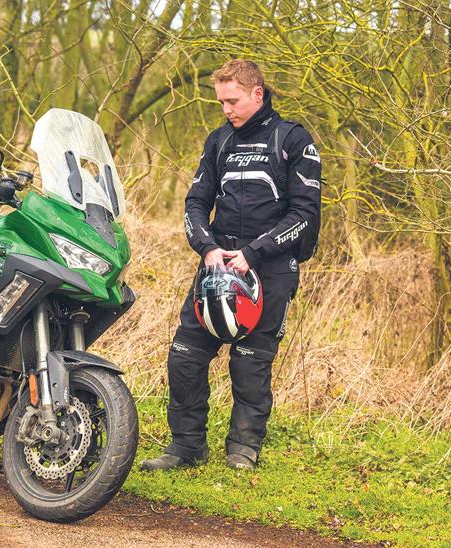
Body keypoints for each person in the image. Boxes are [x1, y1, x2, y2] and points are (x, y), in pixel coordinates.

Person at [141, 59, 322, 471]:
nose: (226, 109)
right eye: (221, 101)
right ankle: (186, 449)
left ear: (257, 94)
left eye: (233, 100)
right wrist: (206, 247)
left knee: (250, 362)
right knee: (185, 356)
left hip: (269, 268)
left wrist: (254, 253)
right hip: (216, 266)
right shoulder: (219, 141)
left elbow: (305, 214)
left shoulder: (293, 140)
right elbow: (195, 203)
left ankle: (242, 450)